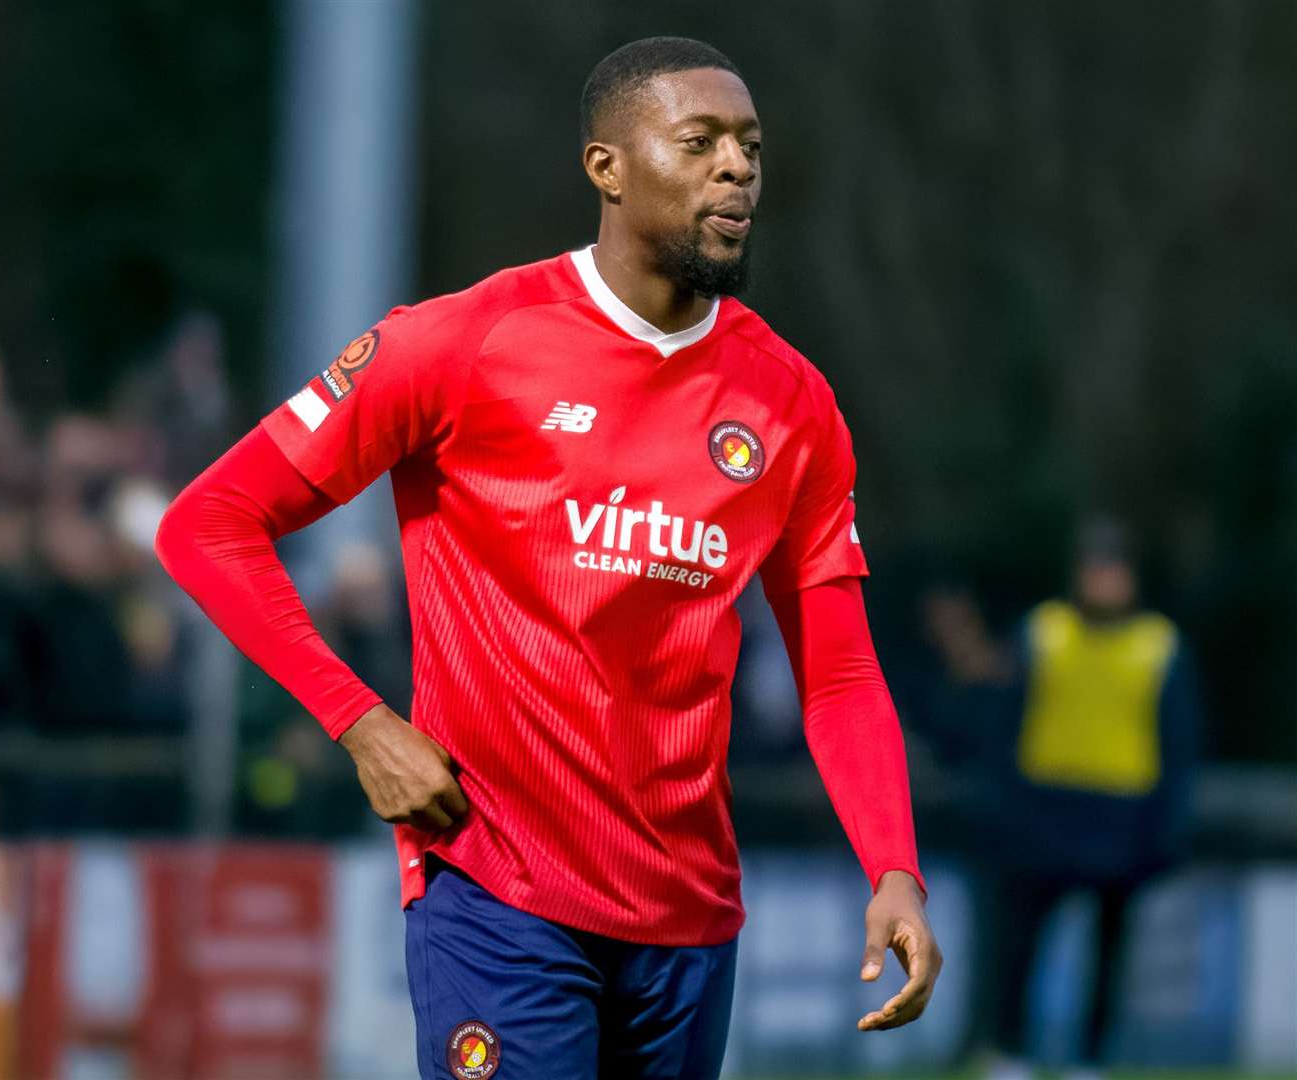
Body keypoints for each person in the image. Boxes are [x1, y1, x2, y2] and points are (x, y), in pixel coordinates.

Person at [156, 36, 942, 1079]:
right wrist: (362, 724)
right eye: (699, 141)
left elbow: (837, 674)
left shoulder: (789, 403)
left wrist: (894, 867)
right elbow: (206, 526)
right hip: (498, 892)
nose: (737, 167)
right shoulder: (463, 344)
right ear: (605, 168)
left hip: (690, 917)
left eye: (750, 145)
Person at [975, 518, 1201, 1080]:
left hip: (1121, 815)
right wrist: (1003, 805)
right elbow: (1005, 723)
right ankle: (1011, 1052)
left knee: (1108, 951)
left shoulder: (1159, 646)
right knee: (1021, 945)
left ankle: (1090, 1059)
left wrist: (1166, 828)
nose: (1102, 582)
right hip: (1045, 809)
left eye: (1112, 570)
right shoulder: (1043, 631)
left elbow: (1179, 742)